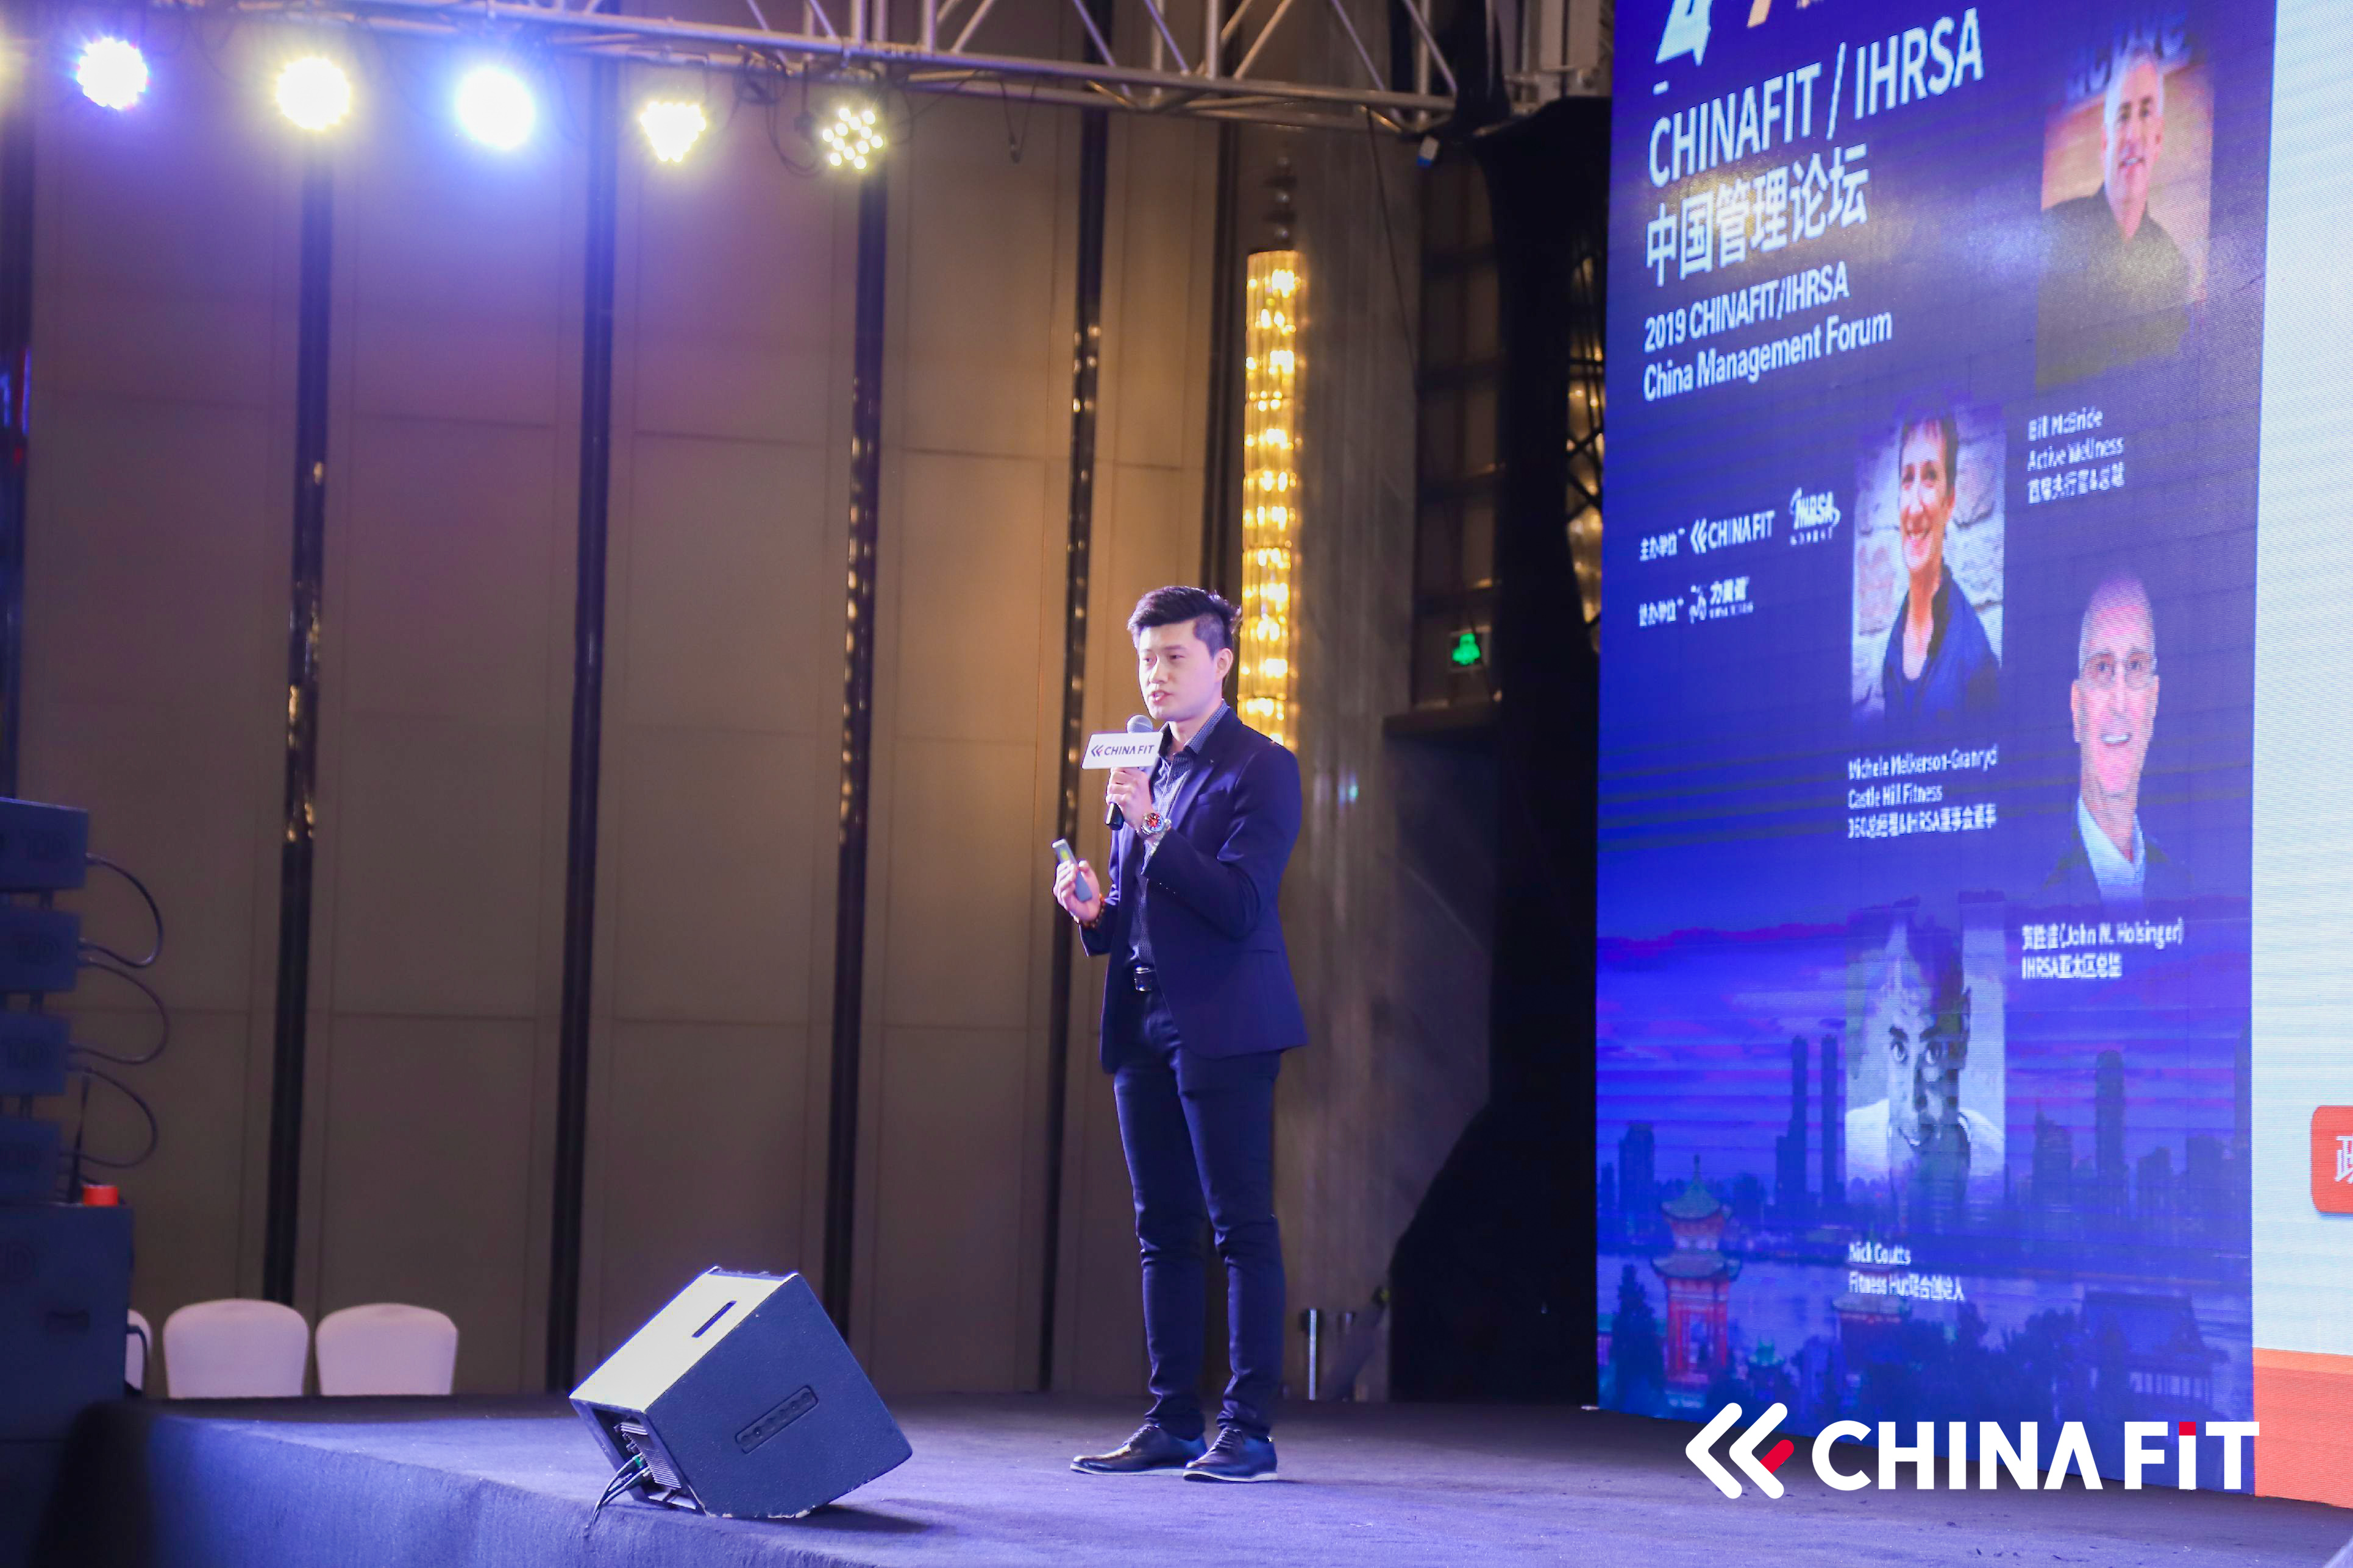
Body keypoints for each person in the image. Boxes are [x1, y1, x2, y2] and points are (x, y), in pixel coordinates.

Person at [1051, 586, 1306, 1484]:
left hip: (1226, 1023)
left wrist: (1154, 826)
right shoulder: (1142, 764)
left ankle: (1249, 1427)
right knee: (1162, 1227)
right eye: (1145, 659)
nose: (1154, 675)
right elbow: (1138, 906)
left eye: (1173, 657)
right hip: (1142, 1018)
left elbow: (1238, 903)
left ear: (1221, 662)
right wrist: (1095, 911)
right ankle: (1171, 1420)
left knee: (1239, 1226)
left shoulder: (1261, 767)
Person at [2037, 43, 2190, 386]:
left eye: (2145, 113)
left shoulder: (2174, 269)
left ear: (2158, 138)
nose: (2133, 135)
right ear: (2105, 142)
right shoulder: (2052, 233)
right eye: (2123, 117)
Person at [1845, 909, 2004, 1214]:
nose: (1913, 1103)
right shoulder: (1851, 1147)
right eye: (1899, 1051)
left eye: (1932, 1053)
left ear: (1963, 1031)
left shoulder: (1997, 1162)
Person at [2046, 572, 2185, 906]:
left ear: (2153, 703)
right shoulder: (2034, 889)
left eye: (2135, 667)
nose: (2119, 703)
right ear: (2077, 707)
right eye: (2102, 668)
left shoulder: (2186, 887)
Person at [1873, 405, 1999, 745]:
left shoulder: (1974, 657)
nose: (1915, 508)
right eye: (1908, 478)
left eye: (1930, 477)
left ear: (1949, 501)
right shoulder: (1894, 647)